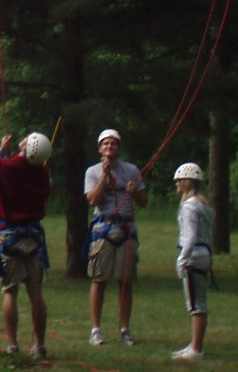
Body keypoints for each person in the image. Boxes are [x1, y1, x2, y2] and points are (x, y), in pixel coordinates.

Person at [0, 132, 53, 360]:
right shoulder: (43, 173)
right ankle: (39, 346)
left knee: (10, 291)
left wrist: (2, 149)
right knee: (35, 292)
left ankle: (12, 344)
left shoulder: (7, 165)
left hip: (9, 234)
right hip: (33, 237)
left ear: (26, 148)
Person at [83, 128, 147, 347]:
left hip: (127, 229)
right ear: (100, 148)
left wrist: (134, 191)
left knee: (125, 281)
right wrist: (104, 175)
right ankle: (96, 329)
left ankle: (124, 329)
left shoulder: (132, 170)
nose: (109, 147)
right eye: (106, 144)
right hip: (103, 228)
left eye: (114, 144)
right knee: (99, 279)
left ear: (119, 147)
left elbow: (143, 201)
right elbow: (93, 200)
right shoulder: (92, 171)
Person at [171, 162, 213, 361]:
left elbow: (190, 236)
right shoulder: (202, 203)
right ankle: (195, 345)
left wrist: (182, 259)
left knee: (195, 305)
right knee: (199, 303)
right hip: (204, 253)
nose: (176, 185)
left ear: (186, 182)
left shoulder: (189, 207)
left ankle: (196, 349)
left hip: (194, 256)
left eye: (179, 181)